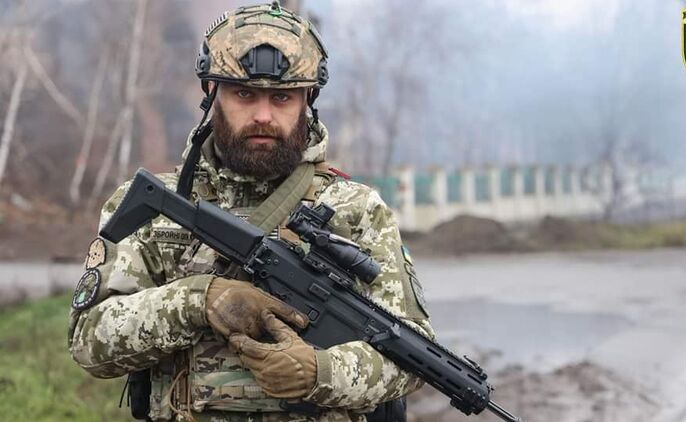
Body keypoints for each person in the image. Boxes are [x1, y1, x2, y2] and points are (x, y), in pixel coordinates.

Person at [68, 2, 434, 422]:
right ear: (211, 92)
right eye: (244, 94)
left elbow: (412, 357)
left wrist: (322, 373)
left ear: (308, 98)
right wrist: (198, 301)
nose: (263, 116)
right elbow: (88, 342)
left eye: (282, 98)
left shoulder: (358, 210)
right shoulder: (157, 207)